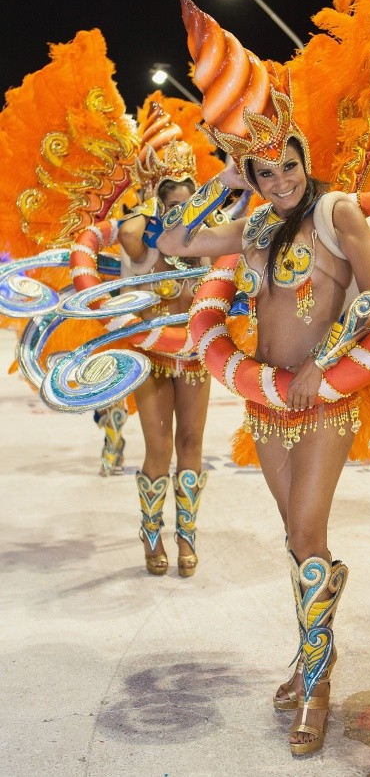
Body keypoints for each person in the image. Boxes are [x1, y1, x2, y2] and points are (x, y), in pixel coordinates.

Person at [158, 115, 370, 753]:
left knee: (307, 534)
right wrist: (222, 184)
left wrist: (322, 363)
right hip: (266, 406)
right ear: (254, 179)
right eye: (265, 172)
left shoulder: (337, 213)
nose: (281, 180)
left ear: (305, 161)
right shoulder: (256, 226)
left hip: (323, 401)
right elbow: (175, 240)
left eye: (289, 165)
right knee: (295, 538)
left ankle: (317, 684)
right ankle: (314, 653)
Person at [119, 139, 212, 578]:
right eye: (173, 205)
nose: (182, 213)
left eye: (189, 204)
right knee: (158, 447)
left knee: (191, 443)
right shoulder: (145, 243)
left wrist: (202, 213)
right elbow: (127, 233)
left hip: (193, 356)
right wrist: (151, 199)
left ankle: (186, 535)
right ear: (158, 206)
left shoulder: (205, 240)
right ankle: (151, 533)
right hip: (153, 356)